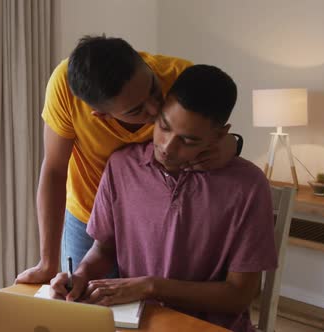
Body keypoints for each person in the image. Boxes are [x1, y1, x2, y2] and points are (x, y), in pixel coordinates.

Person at [49, 65, 277, 332]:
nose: (168, 147)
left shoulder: (248, 186)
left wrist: (151, 286)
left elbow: (239, 296)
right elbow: (103, 249)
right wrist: (80, 276)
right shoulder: (122, 165)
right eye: (164, 127)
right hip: (136, 323)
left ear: (219, 136)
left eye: (188, 140)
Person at [16, 36, 243, 284]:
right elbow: (54, 171)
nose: (156, 110)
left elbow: (210, 130)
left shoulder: (180, 75)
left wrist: (231, 144)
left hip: (153, 222)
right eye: (137, 110)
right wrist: (48, 262)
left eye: (155, 91)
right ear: (101, 115)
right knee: (84, 307)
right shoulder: (65, 89)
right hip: (87, 215)